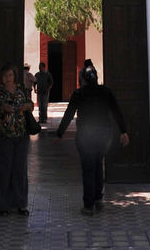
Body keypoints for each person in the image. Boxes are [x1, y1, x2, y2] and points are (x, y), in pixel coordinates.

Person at [57, 65, 129, 216]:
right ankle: (98, 198)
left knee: (88, 168)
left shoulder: (79, 93)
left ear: (82, 79)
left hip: (86, 135)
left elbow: (69, 113)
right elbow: (116, 111)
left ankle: (89, 205)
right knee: (97, 164)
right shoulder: (106, 92)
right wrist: (123, 131)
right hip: (104, 134)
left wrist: (60, 133)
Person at [0, 62, 34, 216]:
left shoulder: (21, 90)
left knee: (20, 170)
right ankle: (3, 205)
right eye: (5, 76)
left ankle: (21, 204)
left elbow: (31, 103)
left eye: (10, 75)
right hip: (3, 136)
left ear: (14, 76)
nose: (8, 78)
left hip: (21, 135)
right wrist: (2, 108)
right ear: (1, 78)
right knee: (4, 170)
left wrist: (27, 106)